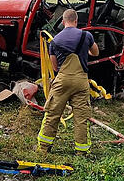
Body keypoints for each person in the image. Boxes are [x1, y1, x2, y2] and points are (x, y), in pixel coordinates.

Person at [36, 8, 98, 155]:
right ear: (76, 21)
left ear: (63, 22)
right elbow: (95, 52)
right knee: (81, 118)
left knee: (52, 114)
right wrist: (85, 51)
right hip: (81, 82)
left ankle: (43, 148)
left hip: (62, 81)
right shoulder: (86, 35)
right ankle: (81, 152)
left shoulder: (55, 41)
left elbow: (54, 66)